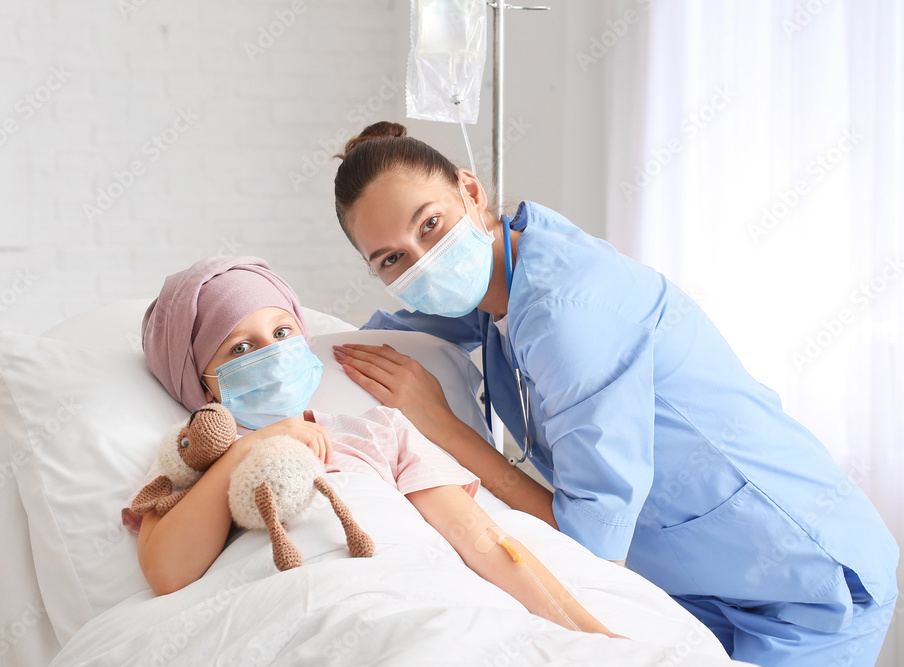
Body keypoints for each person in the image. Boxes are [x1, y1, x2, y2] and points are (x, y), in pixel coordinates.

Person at [329, 121, 899, 666]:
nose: (423, 262)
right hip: (701, 582)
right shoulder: (501, 278)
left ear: (470, 191)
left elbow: (590, 545)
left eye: (429, 225)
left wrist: (443, 427)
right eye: (392, 259)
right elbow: (374, 340)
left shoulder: (567, 313)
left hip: (809, 587)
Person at [121, 255, 621, 638]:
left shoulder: (381, 431)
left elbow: (480, 540)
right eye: (241, 349)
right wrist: (250, 450)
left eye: (282, 332)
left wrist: (590, 632)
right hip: (287, 618)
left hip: (404, 604)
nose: (273, 354)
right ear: (205, 385)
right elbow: (168, 572)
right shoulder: (195, 457)